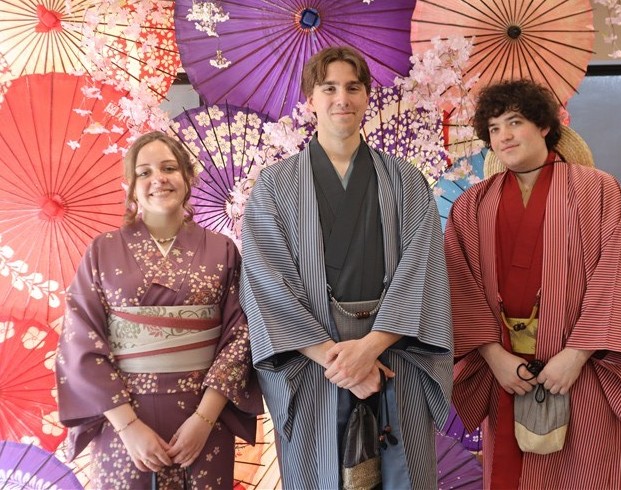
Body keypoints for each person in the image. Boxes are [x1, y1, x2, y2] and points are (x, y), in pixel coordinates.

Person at [239, 46, 453, 488]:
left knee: (402, 474)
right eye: (329, 88)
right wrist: (338, 362)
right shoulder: (275, 185)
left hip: (394, 353)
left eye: (353, 88)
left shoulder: (405, 180)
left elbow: (424, 270)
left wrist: (370, 347)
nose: (342, 99)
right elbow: (265, 281)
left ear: (367, 96)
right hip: (313, 364)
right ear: (310, 100)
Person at [445, 79, 621, 489]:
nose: (504, 136)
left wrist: (575, 355)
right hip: (510, 373)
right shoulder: (472, 206)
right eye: (494, 129)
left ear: (544, 125)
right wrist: (494, 357)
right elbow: (458, 288)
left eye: (514, 122)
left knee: (589, 471)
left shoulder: (598, 190)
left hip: (584, 369)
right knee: (511, 474)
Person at [56, 131, 263, 489]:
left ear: (187, 177)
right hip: (123, 423)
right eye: (145, 172)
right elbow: (79, 340)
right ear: (131, 187)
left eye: (169, 168)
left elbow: (241, 334)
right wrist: (129, 427)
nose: (158, 179)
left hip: (204, 419)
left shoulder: (222, 249)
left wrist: (204, 419)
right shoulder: (102, 250)